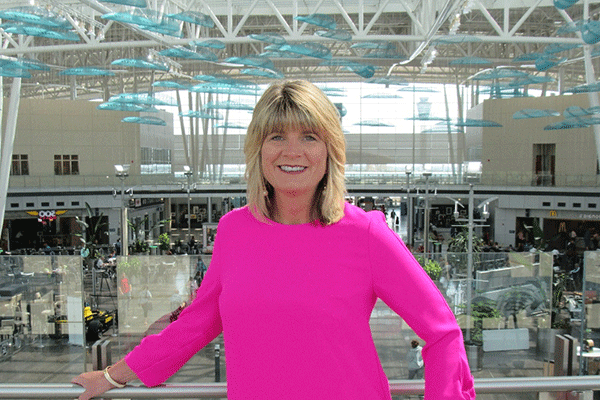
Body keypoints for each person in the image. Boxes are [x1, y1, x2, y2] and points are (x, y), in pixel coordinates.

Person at [72, 80, 475, 400]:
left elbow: (442, 331)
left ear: (330, 150)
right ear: (259, 150)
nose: (293, 151)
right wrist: (112, 376)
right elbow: (197, 324)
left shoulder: (365, 233)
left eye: (310, 137)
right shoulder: (234, 230)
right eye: (277, 136)